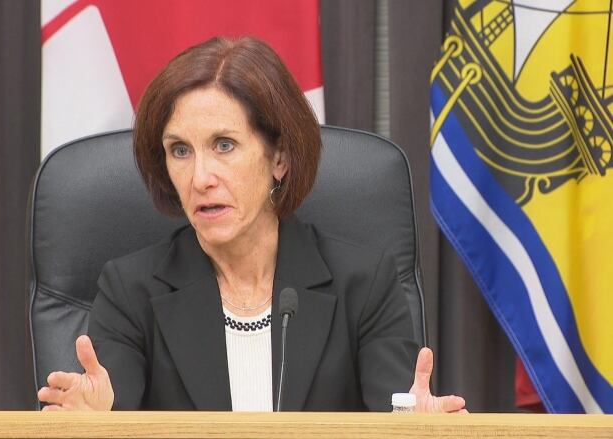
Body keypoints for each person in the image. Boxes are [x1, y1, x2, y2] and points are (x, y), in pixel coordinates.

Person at [37, 36, 467, 413]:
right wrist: (99, 417)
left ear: (279, 158)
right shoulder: (130, 291)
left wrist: (417, 424)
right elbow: (114, 399)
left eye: (224, 145)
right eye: (180, 150)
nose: (200, 177)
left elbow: (398, 409)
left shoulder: (362, 284)